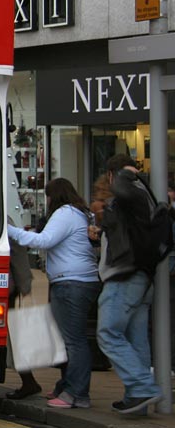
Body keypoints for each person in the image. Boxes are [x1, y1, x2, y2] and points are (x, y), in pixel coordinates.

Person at [7, 177, 100, 409]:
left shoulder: (65, 213)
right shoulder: (79, 213)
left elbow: (44, 241)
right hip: (77, 281)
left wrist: (8, 230)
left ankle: (77, 394)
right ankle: (65, 386)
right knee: (67, 339)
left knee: (73, 341)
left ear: (54, 196)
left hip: (72, 283)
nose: (46, 201)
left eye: (48, 196)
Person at [89, 154, 162, 414]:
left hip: (124, 276)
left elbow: (119, 189)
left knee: (108, 334)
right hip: (143, 277)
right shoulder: (145, 194)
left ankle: (143, 388)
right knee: (136, 339)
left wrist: (124, 174)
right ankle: (137, 400)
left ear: (111, 175)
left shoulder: (129, 189)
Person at [5, 232, 40, 400]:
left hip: (2, 285)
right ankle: (28, 380)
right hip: (1, 284)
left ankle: (29, 380)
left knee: (14, 334)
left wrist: (24, 284)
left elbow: (17, 252)